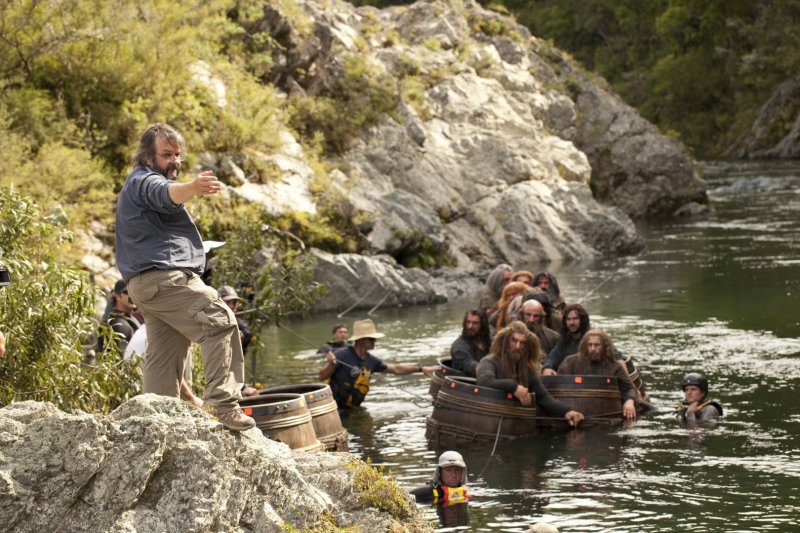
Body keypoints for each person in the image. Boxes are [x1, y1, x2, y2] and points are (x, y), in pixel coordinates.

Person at [115, 122, 254, 431]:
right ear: (148, 156)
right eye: (167, 154)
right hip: (165, 280)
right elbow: (165, 192)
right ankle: (222, 404)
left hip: (147, 287)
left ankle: (157, 423)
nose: (174, 161)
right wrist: (192, 187)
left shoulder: (138, 183)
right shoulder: (143, 180)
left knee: (165, 355)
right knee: (220, 320)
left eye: (177, 154)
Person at [476, 321, 584, 426]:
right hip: (491, 420)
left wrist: (567, 411)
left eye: (522, 342)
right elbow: (484, 381)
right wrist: (514, 387)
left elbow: (544, 398)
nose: (518, 346)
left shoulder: (527, 369)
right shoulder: (489, 361)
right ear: (505, 340)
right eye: (514, 340)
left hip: (516, 424)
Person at [319, 319, 438, 409]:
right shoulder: (342, 354)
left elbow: (396, 369)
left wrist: (421, 369)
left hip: (353, 409)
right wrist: (331, 364)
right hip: (334, 408)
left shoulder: (371, 361)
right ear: (362, 340)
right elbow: (322, 376)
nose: (375, 341)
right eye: (372, 339)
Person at [557, 329, 637, 420]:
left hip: (604, 415)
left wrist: (629, 401)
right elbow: (558, 388)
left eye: (597, 345)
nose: (593, 349)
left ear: (604, 347)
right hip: (573, 413)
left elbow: (629, 388)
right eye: (590, 345)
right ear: (585, 346)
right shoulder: (570, 363)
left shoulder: (615, 367)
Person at [542, 303, 590, 375]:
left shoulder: (592, 338)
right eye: (568, 319)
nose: (571, 322)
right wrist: (547, 367)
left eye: (575, 319)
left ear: (582, 320)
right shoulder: (565, 340)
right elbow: (553, 357)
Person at [97, 279, 141, 355]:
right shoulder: (116, 324)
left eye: (135, 291)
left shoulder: (129, 319)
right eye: (128, 292)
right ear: (118, 296)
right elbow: (123, 360)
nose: (133, 295)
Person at [450, 309, 491, 377]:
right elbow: (470, 366)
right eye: (468, 322)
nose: (470, 326)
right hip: (468, 383)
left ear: (483, 325)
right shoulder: (459, 346)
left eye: (475, 323)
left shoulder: (488, 342)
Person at [218, 285, 253, 353]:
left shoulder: (233, 320)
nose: (232, 306)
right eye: (228, 302)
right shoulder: (211, 320)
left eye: (234, 302)